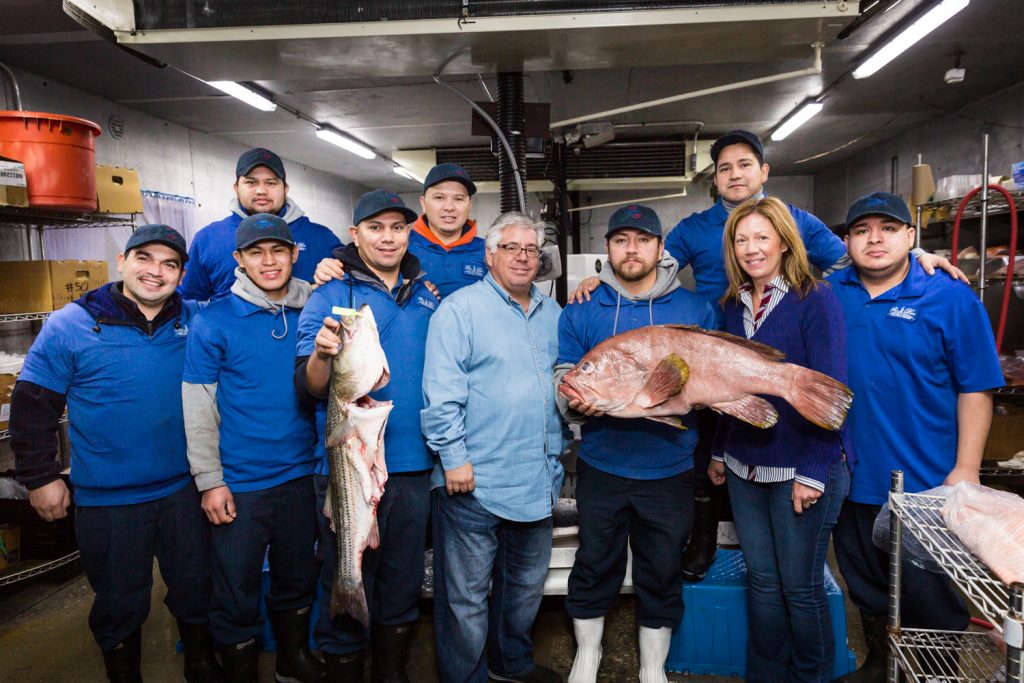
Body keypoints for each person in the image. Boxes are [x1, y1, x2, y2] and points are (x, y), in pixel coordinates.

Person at [570, 130, 965, 583]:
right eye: (724, 168)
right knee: (711, 454)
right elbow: (646, 265)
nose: (735, 174)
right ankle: (703, 533)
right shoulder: (695, 227)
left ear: (764, 172)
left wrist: (911, 255)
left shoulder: (797, 221)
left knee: (796, 573)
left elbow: (852, 258)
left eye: (744, 164)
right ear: (714, 179)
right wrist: (601, 281)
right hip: (719, 334)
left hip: (768, 341)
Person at [10, 225, 220, 683]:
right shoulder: (73, 323)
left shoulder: (197, 319)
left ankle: (202, 665)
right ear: (121, 262)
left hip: (183, 489)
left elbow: (254, 307)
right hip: (108, 499)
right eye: (144, 258)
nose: (155, 271)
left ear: (182, 275)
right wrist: (41, 477)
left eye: (169, 264)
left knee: (196, 586)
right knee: (120, 602)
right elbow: (31, 405)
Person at [828, 192, 1002, 682]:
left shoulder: (950, 297)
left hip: (924, 482)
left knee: (929, 600)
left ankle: (933, 676)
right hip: (852, 476)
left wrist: (965, 471)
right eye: (862, 230)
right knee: (866, 583)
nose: (875, 239)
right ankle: (881, 666)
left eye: (888, 228)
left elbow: (976, 389)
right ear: (847, 242)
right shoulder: (830, 293)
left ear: (911, 237)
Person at [554, 204, 717, 683]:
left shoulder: (694, 308)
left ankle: (652, 667)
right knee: (594, 562)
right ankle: (588, 655)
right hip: (603, 464)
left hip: (670, 469)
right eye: (621, 240)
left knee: (662, 567)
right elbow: (565, 371)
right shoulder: (583, 307)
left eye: (643, 240)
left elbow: (713, 378)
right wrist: (574, 401)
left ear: (660, 248)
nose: (632, 248)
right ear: (607, 249)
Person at [294, 189, 437, 681]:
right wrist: (321, 355)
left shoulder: (425, 293)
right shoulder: (330, 294)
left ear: (408, 233)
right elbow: (309, 386)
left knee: (401, 581)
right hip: (346, 466)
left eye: (397, 227)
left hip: (413, 466)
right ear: (355, 235)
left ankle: (392, 672)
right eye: (375, 227)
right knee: (346, 569)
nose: (388, 237)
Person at [707, 197, 850, 682]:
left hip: (800, 468)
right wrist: (719, 450)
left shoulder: (815, 298)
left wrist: (814, 470)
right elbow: (730, 386)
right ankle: (766, 675)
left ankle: (811, 676)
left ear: (785, 241)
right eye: (741, 239)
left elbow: (832, 391)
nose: (751, 248)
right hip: (745, 466)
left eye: (761, 237)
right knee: (763, 583)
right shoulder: (732, 305)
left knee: (800, 586)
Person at [422, 212, 564, 683]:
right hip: (474, 482)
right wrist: (453, 457)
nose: (523, 257)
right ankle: (466, 677)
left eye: (531, 250)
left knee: (523, 591)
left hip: (536, 481)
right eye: (511, 248)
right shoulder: (459, 311)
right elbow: (440, 394)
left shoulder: (553, 313)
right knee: (465, 599)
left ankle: (511, 666)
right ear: (489, 254)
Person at [182, 213, 322, 682]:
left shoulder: (316, 309)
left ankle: (291, 659)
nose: (269, 261)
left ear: (294, 254)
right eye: (256, 252)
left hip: (302, 474)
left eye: (278, 250)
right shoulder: (215, 319)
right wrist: (210, 481)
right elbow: (199, 404)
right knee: (236, 587)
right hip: (239, 482)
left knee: (297, 577)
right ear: (239, 260)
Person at [180, 147, 341, 301]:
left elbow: (353, 291)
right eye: (251, 182)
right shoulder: (209, 238)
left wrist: (336, 273)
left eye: (271, 183)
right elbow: (186, 302)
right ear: (236, 188)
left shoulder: (321, 237)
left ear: (285, 189)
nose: (261, 190)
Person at [313, 162, 483, 298]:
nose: (449, 207)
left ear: (469, 205)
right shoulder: (397, 246)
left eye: (459, 199)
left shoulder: (490, 253)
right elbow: (358, 261)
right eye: (439, 197)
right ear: (423, 203)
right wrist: (329, 267)